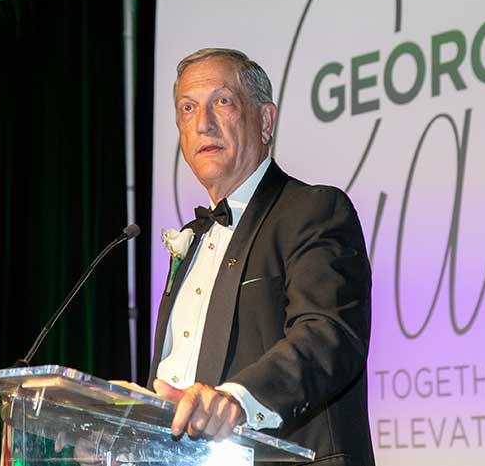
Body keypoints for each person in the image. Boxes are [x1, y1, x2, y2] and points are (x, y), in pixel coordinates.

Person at [149, 48, 374, 466]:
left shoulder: (313, 210)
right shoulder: (192, 240)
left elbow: (327, 333)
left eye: (222, 102)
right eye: (187, 108)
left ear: (265, 121)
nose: (203, 123)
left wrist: (236, 399)